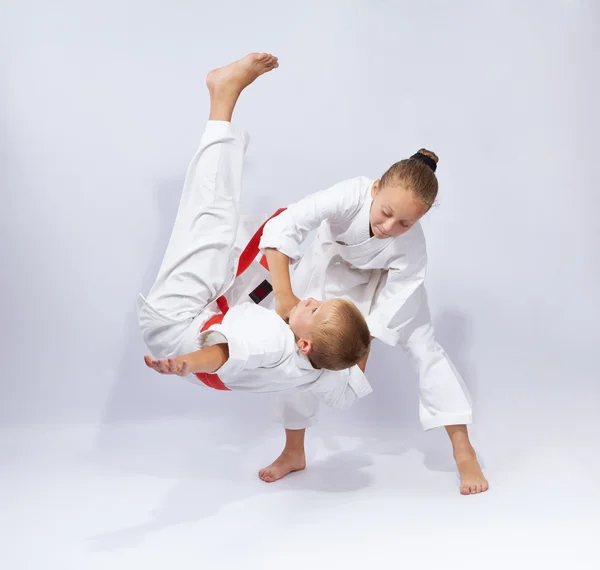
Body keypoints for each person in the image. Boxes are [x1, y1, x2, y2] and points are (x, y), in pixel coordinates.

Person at [138, 53, 372, 410]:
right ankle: (222, 96)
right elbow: (349, 388)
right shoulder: (321, 372)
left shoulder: (275, 339)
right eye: (319, 302)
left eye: (313, 309)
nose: (310, 300)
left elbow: (219, 353)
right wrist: (357, 341)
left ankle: (223, 95)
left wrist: (182, 364)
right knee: (239, 247)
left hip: (173, 324)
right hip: (206, 316)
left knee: (209, 220)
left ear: (304, 344)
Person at [258, 150, 489, 494]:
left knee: (426, 351)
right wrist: (284, 296)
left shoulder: (412, 248)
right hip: (329, 271)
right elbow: (284, 225)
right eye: (386, 212)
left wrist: (362, 346)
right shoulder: (348, 195)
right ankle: (294, 450)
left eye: (405, 223)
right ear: (376, 188)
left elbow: (396, 299)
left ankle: (463, 448)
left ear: (420, 219)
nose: (389, 227)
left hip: (387, 290)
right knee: (297, 353)